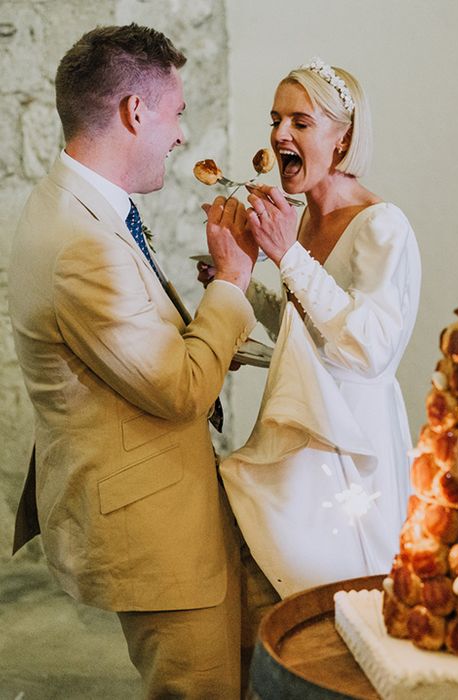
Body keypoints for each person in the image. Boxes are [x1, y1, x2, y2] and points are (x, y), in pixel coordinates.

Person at [9, 24, 265, 699]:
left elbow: (131, 347)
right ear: (134, 112)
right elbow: (178, 389)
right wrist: (231, 282)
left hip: (160, 501)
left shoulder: (74, 203)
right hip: (154, 531)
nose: (182, 134)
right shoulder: (83, 242)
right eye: (177, 113)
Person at [213, 58, 421, 597]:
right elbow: (304, 324)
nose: (280, 133)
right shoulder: (302, 219)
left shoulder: (382, 224)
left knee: (345, 595)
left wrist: (288, 257)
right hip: (298, 423)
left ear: (342, 139)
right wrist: (239, 277)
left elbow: (369, 347)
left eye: (300, 123)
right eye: (276, 120)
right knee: (279, 592)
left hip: (351, 438)